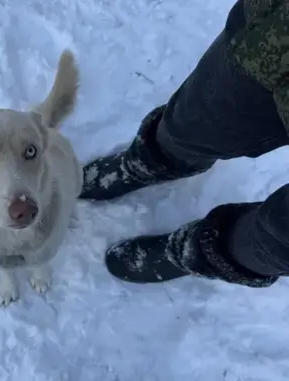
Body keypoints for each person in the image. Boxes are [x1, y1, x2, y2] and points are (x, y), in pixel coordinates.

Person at [79, 0, 289, 288]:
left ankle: (189, 253)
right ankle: (142, 165)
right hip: (276, 40)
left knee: (278, 237)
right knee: (193, 122)